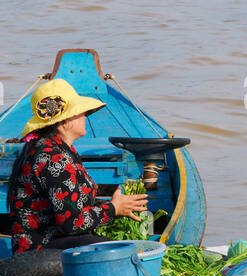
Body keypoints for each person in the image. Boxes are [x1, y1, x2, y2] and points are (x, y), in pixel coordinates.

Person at [8, 79, 147, 253]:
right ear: (65, 121)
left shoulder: (60, 149)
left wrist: (114, 204)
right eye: (81, 112)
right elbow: (71, 223)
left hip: (56, 239)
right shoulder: (52, 158)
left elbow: (74, 204)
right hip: (39, 248)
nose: (85, 116)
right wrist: (113, 209)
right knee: (117, 250)